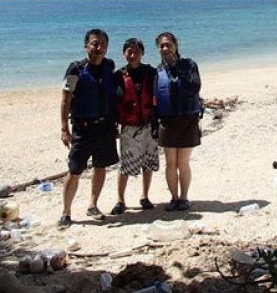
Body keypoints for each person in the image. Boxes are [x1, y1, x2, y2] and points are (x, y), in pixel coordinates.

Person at [58, 28, 119, 227]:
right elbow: (65, 99)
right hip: (83, 129)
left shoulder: (110, 66)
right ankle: (66, 212)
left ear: (107, 47)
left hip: (105, 127)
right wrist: (64, 129)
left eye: (102, 44)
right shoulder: (76, 69)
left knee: (101, 167)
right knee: (74, 170)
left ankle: (93, 205)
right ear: (86, 46)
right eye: (94, 43)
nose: (98, 47)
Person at [110, 38, 159, 215]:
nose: (133, 55)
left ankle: (144, 196)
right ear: (124, 53)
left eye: (136, 51)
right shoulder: (118, 76)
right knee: (125, 165)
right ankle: (120, 199)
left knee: (148, 162)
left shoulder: (151, 72)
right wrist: (113, 124)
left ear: (142, 53)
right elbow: (113, 102)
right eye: (129, 51)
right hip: (129, 127)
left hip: (148, 124)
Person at [154, 31, 202, 211]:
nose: (165, 48)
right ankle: (173, 197)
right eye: (162, 46)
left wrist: (177, 67)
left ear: (176, 45)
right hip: (167, 121)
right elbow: (155, 99)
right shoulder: (158, 71)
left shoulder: (189, 65)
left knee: (183, 162)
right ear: (158, 49)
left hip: (187, 119)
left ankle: (184, 197)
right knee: (170, 163)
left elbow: (195, 87)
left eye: (168, 44)